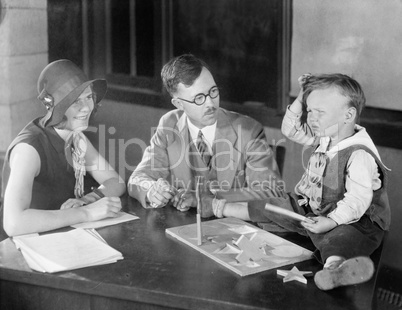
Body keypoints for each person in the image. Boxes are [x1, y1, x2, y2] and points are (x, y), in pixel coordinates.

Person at [219, 73, 391, 290]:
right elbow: (290, 129)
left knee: (340, 239)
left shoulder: (359, 155)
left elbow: (357, 201)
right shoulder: (327, 135)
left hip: (353, 218)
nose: (311, 118)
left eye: (320, 112)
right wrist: (302, 95)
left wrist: (331, 222)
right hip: (314, 207)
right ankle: (221, 207)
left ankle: (334, 270)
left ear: (348, 115)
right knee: (274, 204)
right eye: (309, 110)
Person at [128, 54, 283, 216]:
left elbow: (271, 193)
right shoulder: (169, 125)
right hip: (186, 229)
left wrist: (206, 200)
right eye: (199, 98)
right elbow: (138, 178)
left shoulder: (248, 130)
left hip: (239, 230)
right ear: (179, 104)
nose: (210, 103)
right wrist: (152, 191)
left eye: (213, 91)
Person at [1, 59, 126, 237]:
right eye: (75, 101)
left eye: (89, 97)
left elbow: (116, 182)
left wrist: (87, 200)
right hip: (23, 249)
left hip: (62, 237)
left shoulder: (75, 137)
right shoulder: (28, 149)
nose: (86, 108)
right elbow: (13, 224)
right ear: (55, 107)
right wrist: (87, 212)